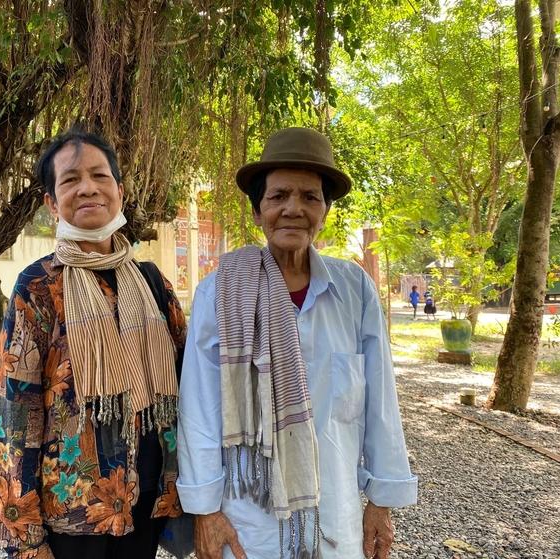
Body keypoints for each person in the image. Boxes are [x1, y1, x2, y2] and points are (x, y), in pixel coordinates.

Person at [176, 127, 417, 559]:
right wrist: (205, 512)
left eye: (310, 197)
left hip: (336, 514)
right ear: (257, 212)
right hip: (248, 519)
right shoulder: (220, 293)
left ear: (325, 211)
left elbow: (380, 401)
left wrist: (381, 500)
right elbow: (199, 410)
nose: (294, 209)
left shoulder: (354, 290)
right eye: (278, 196)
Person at [0, 127, 187, 559]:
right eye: (70, 180)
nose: (87, 188)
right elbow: (15, 418)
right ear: (50, 202)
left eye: (100, 176)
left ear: (119, 190)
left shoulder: (152, 284)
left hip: (147, 502)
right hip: (71, 518)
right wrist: (24, 537)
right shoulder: (38, 288)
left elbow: (190, 387)